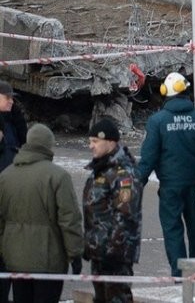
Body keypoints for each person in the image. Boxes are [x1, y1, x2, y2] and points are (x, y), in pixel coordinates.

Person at [135, 72, 195, 276]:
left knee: (173, 232)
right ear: (187, 91)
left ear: (164, 93)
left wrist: (135, 184)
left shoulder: (157, 121)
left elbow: (149, 158)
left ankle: (178, 277)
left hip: (171, 188)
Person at [0, 123, 84, 303]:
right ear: (48, 145)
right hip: (49, 261)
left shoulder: (6, 176)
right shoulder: (58, 176)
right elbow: (69, 219)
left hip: (16, 260)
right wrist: (75, 253)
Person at [83, 118, 142, 303]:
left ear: (110, 142)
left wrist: (113, 251)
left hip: (115, 254)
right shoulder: (101, 169)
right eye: (90, 141)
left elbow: (125, 215)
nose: (91, 146)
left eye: (95, 142)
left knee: (117, 299)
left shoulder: (123, 173)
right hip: (99, 250)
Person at [0, 79, 27, 302]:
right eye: (7, 97)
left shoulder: (12, 121)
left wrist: (17, 118)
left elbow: (23, 145)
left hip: (15, 196)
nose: (11, 101)